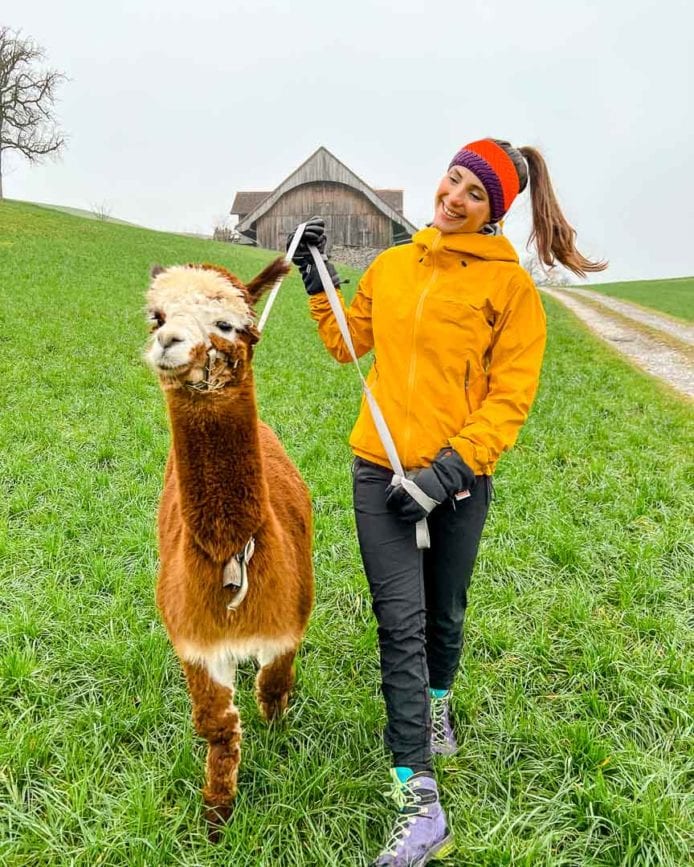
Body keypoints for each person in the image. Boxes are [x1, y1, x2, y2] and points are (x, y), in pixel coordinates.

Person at [289, 138, 606, 867]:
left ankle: (437, 702)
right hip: (379, 471)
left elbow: (510, 398)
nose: (454, 197)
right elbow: (347, 344)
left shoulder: (511, 290)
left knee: (445, 611)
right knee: (399, 624)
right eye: (454, 179)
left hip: (457, 480)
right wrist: (316, 278)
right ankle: (419, 800)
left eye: (474, 193)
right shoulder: (394, 265)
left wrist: (447, 471)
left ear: (494, 211)